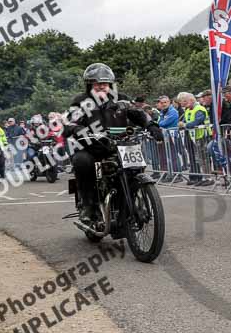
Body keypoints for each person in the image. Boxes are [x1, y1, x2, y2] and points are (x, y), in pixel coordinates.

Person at [64, 63, 164, 223]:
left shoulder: (121, 98)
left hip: (120, 145)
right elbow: (70, 122)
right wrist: (78, 130)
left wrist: (151, 125)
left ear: (110, 84)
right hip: (91, 147)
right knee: (82, 162)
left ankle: (133, 198)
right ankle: (88, 206)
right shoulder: (80, 101)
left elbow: (138, 113)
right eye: (97, 84)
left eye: (104, 83)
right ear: (90, 84)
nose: (101, 87)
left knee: (135, 168)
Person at [177, 91, 210, 185]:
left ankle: (207, 178)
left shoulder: (199, 109)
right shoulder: (188, 109)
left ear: (191, 100)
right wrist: (182, 124)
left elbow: (197, 122)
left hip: (200, 136)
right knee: (193, 158)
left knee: (202, 158)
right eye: (182, 102)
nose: (183, 104)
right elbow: (183, 121)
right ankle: (196, 176)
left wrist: (184, 125)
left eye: (185, 102)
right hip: (191, 137)